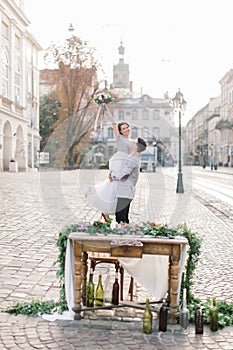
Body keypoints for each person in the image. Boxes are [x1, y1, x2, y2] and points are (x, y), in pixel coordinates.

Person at [110, 137, 147, 225]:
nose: (130, 144)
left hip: (125, 191)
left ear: (136, 147)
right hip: (124, 191)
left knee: (120, 217)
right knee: (123, 218)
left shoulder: (133, 159)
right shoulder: (132, 157)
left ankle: (123, 236)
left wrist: (113, 176)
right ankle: (125, 235)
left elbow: (124, 175)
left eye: (133, 143)